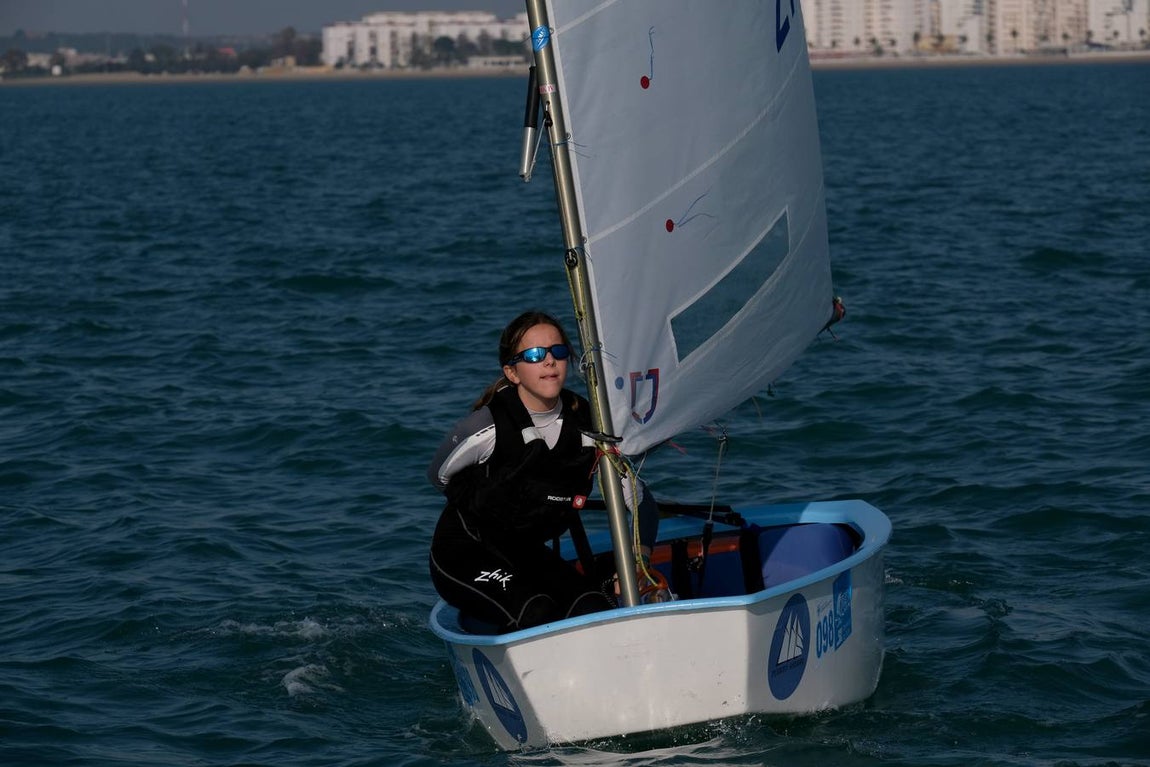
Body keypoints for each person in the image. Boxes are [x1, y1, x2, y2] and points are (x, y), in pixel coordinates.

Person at [427, 310, 659, 632]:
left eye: (558, 352)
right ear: (513, 372)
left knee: (591, 609)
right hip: (466, 551)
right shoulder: (488, 426)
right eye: (535, 355)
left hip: (526, 554)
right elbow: (438, 475)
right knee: (537, 611)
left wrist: (640, 559)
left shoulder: (590, 427)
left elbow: (642, 501)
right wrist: (484, 500)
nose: (549, 361)